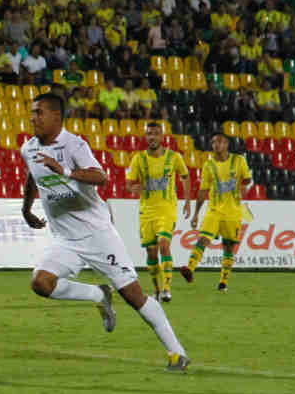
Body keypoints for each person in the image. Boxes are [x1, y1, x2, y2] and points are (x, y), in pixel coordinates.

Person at [21, 93, 189, 371]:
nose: (33, 118)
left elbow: (101, 176)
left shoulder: (75, 145)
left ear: (56, 117)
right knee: (41, 283)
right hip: (65, 238)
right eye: (32, 112)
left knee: (133, 295)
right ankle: (98, 295)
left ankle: (177, 352)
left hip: (98, 234)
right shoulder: (28, 148)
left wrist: (64, 170)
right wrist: (27, 208)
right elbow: (32, 174)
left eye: (38, 113)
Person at [125, 122, 191, 302]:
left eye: (155, 134)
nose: (152, 137)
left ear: (162, 137)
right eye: (149, 134)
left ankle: (167, 289)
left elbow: (185, 176)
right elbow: (129, 185)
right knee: (152, 253)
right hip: (147, 212)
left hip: (167, 209)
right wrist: (137, 188)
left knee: (164, 244)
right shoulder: (139, 159)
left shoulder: (174, 157)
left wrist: (186, 202)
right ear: (146, 137)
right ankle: (156, 289)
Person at [180, 133, 253, 292]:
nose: (216, 145)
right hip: (213, 211)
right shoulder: (208, 165)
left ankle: (223, 281)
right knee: (203, 239)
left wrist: (243, 187)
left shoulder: (239, 161)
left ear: (227, 144)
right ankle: (190, 269)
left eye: (219, 142)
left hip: (233, 212)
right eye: (213, 142)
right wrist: (196, 214)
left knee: (228, 247)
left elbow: (247, 180)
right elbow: (203, 191)